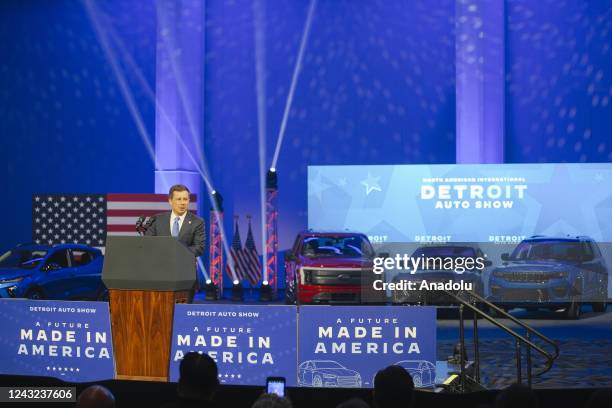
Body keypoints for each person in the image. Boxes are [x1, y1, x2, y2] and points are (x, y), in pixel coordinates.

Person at [145, 184, 205, 257]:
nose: (182, 203)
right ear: (170, 201)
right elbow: (148, 243)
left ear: (189, 201)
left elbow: (199, 248)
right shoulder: (157, 220)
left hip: (185, 266)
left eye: (185, 199)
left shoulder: (197, 222)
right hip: (160, 265)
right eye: (179, 199)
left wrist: (177, 252)